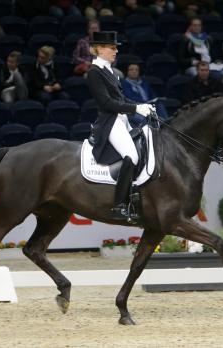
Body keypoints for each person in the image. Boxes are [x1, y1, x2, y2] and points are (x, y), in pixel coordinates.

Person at [86, 31, 154, 220]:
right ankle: (120, 204)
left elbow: (122, 98)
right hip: (109, 122)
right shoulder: (94, 73)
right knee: (131, 155)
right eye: (112, 48)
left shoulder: (110, 72)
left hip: (121, 119)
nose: (116, 51)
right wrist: (136, 109)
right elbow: (107, 104)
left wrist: (142, 105)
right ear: (99, 49)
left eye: (116, 48)